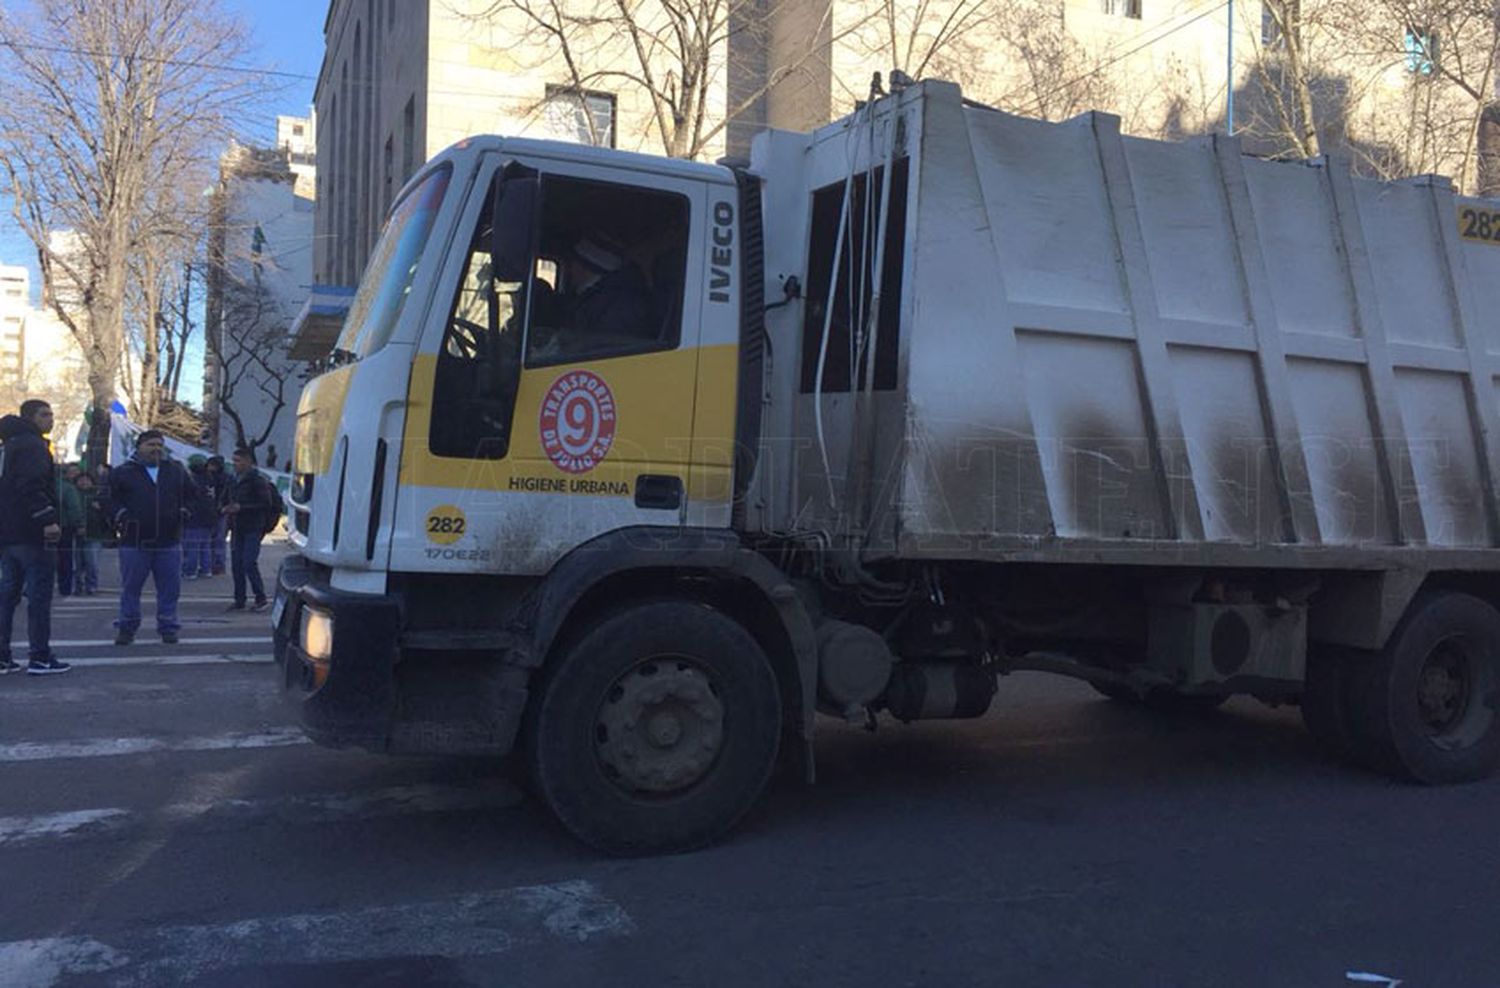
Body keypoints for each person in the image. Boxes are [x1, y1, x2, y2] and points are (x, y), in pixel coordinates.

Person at [0, 399, 71, 675]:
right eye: (45, 414)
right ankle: (40, 656)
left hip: (8, 533)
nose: (50, 419)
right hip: (32, 532)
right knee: (39, 597)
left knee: (7, 596)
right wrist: (47, 518)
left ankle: (3, 655)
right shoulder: (32, 445)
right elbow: (32, 484)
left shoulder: (8, 445)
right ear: (31, 418)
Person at [109, 430, 196, 645]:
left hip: (169, 540)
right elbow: (108, 499)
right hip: (134, 541)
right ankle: (127, 627)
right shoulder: (123, 472)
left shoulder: (175, 470)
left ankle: (168, 627)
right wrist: (121, 515)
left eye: (159, 445)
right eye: (151, 445)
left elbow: (193, 495)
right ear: (139, 447)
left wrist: (184, 511)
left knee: (170, 588)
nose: (156, 449)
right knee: (131, 587)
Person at [560, 231, 654, 343]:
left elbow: (605, 346)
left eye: (573, 262)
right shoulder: (596, 296)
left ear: (586, 266)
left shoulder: (621, 305)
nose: (569, 268)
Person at [223, 446, 275, 612]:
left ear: (248, 462)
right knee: (237, 564)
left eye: (238, 461)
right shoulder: (233, 480)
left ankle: (261, 598)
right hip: (237, 527)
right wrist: (224, 507)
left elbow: (266, 504)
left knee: (248, 562)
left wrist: (242, 507)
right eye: (234, 460)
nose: (235, 464)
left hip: (253, 526)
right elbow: (225, 497)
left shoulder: (257, 480)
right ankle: (239, 599)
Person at [181, 454, 218, 580]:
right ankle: (206, 569)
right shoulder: (210, 479)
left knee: (192, 545)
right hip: (209, 516)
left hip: (195, 516)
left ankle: (190, 571)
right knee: (205, 545)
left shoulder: (193, 481)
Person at [74, 470, 105, 595]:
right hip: (75, 533)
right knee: (76, 563)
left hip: (94, 533)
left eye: (87, 480)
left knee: (92, 563)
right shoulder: (73, 495)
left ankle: (91, 585)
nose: (84, 482)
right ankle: (77, 586)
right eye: (81, 480)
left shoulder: (99, 495)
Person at [56, 463, 84, 596]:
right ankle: (65, 588)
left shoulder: (41, 485)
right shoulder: (68, 488)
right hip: (64, 527)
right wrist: (78, 524)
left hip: (39, 526)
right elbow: (74, 509)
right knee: (65, 559)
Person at [204, 455, 229, 575]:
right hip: (213, 511)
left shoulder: (224, 479)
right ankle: (214, 564)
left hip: (219, 511)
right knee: (214, 540)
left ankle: (217, 565)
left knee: (217, 539)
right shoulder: (208, 477)